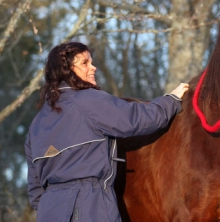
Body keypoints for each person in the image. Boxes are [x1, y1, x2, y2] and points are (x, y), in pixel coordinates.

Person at [24, 42, 189, 222]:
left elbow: (35, 189)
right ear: (67, 70)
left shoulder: (37, 124)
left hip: (49, 212)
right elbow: (138, 119)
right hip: (89, 206)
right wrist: (170, 101)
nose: (93, 67)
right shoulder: (88, 100)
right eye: (85, 63)